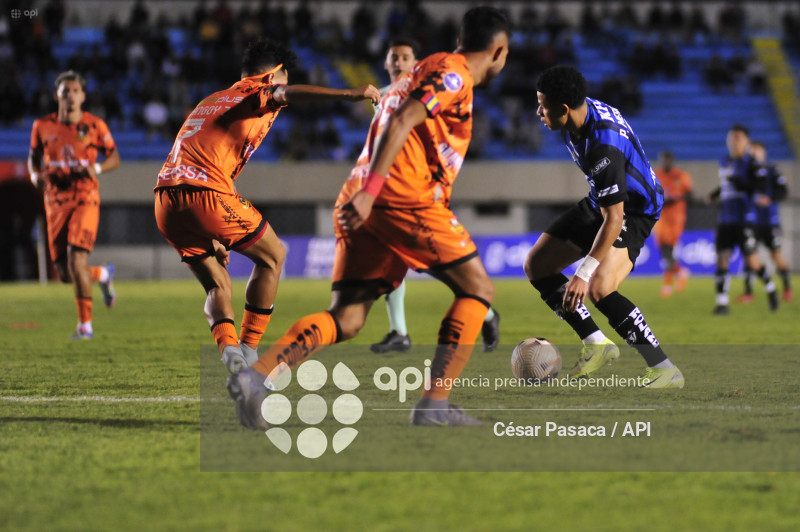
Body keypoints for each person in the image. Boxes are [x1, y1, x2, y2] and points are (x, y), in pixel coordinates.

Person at [228, 6, 511, 429]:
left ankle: (257, 377)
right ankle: (434, 405)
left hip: (363, 195)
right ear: (499, 50)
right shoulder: (453, 75)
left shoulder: (424, 70)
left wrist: (365, 194)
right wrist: (375, 192)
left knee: (348, 318)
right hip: (399, 196)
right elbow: (405, 118)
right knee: (478, 287)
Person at [154, 39, 380, 374]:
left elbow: (203, 152)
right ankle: (249, 350)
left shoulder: (212, 100)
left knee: (217, 284)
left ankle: (230, 352)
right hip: (206, 194)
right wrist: (350, 94)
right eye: (283, 79)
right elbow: (284, 95)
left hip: (165, 201)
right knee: (273, 256)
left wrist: (210, 230)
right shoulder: (257, 93)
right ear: (274, 76)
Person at [526, 65, 684, 389]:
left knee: (599, 286)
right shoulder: (579, 116)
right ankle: (596, 344)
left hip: (634, 210)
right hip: (603, 199)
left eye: (542, 105)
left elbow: (615, 218)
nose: (538, 111)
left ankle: (664, 368)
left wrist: (582, 273)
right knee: (537, 265)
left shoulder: (603, 147)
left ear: (563, 109)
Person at [368, 37, 501, 354]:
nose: (399, 63)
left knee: (431, 264)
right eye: (394, 57)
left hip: (420, 191)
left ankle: (484, 309)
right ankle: (399, 331)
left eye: (405, 57)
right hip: (390, 192)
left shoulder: (430, 90)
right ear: (386, 63)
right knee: (396, 261)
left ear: (415, 63)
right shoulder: (384, 98)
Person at [28, 70, 120, 340]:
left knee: (76, 258)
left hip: (85, 197)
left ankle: (85, 327)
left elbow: (114, 156)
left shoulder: (94, 125)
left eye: (75, 91)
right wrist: (35, 175)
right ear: (57, 95)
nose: (70, 96)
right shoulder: (42, 126)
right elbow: (33, 157)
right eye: (65, 91)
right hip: (55, 201)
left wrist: (98, 168)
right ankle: (103, 274)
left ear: (83, 95)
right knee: (67, 274)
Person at [709, 125, 778, 315]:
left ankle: (770, 288)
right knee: (722, 257)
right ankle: (722, 303)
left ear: (746, 141)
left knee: (752, 261)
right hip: (726, 219)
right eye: (732, 137)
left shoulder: (752, 163)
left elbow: (762, 186)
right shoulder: (724, 161)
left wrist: (744, 184)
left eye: (738, 137)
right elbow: (726, 185)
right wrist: (714, 195)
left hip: (745, 219)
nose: (734, 141)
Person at [739, 141, 791, 303]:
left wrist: (770, 199)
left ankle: (787, 288)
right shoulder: (746, 172)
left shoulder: (772, 170)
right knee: (749, 256)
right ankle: (748, 293)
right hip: (751, 221)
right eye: (752, 152)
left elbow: (784, 191)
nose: (754, 155)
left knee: (776, 255)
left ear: (764, 153)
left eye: (758, 152)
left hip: (769, 221)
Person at [652, 150, 693, 297]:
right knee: (664, 250)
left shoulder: (681, 175)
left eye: (667, 160)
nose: (665, 163)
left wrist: (675, 197)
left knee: (668, 249)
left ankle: (667, 285)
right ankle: (680, 272)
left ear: (672, 161)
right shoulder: (656, 174)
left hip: (676, 217)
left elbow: (690, 194)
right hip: (661, 217)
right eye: (663, 160)